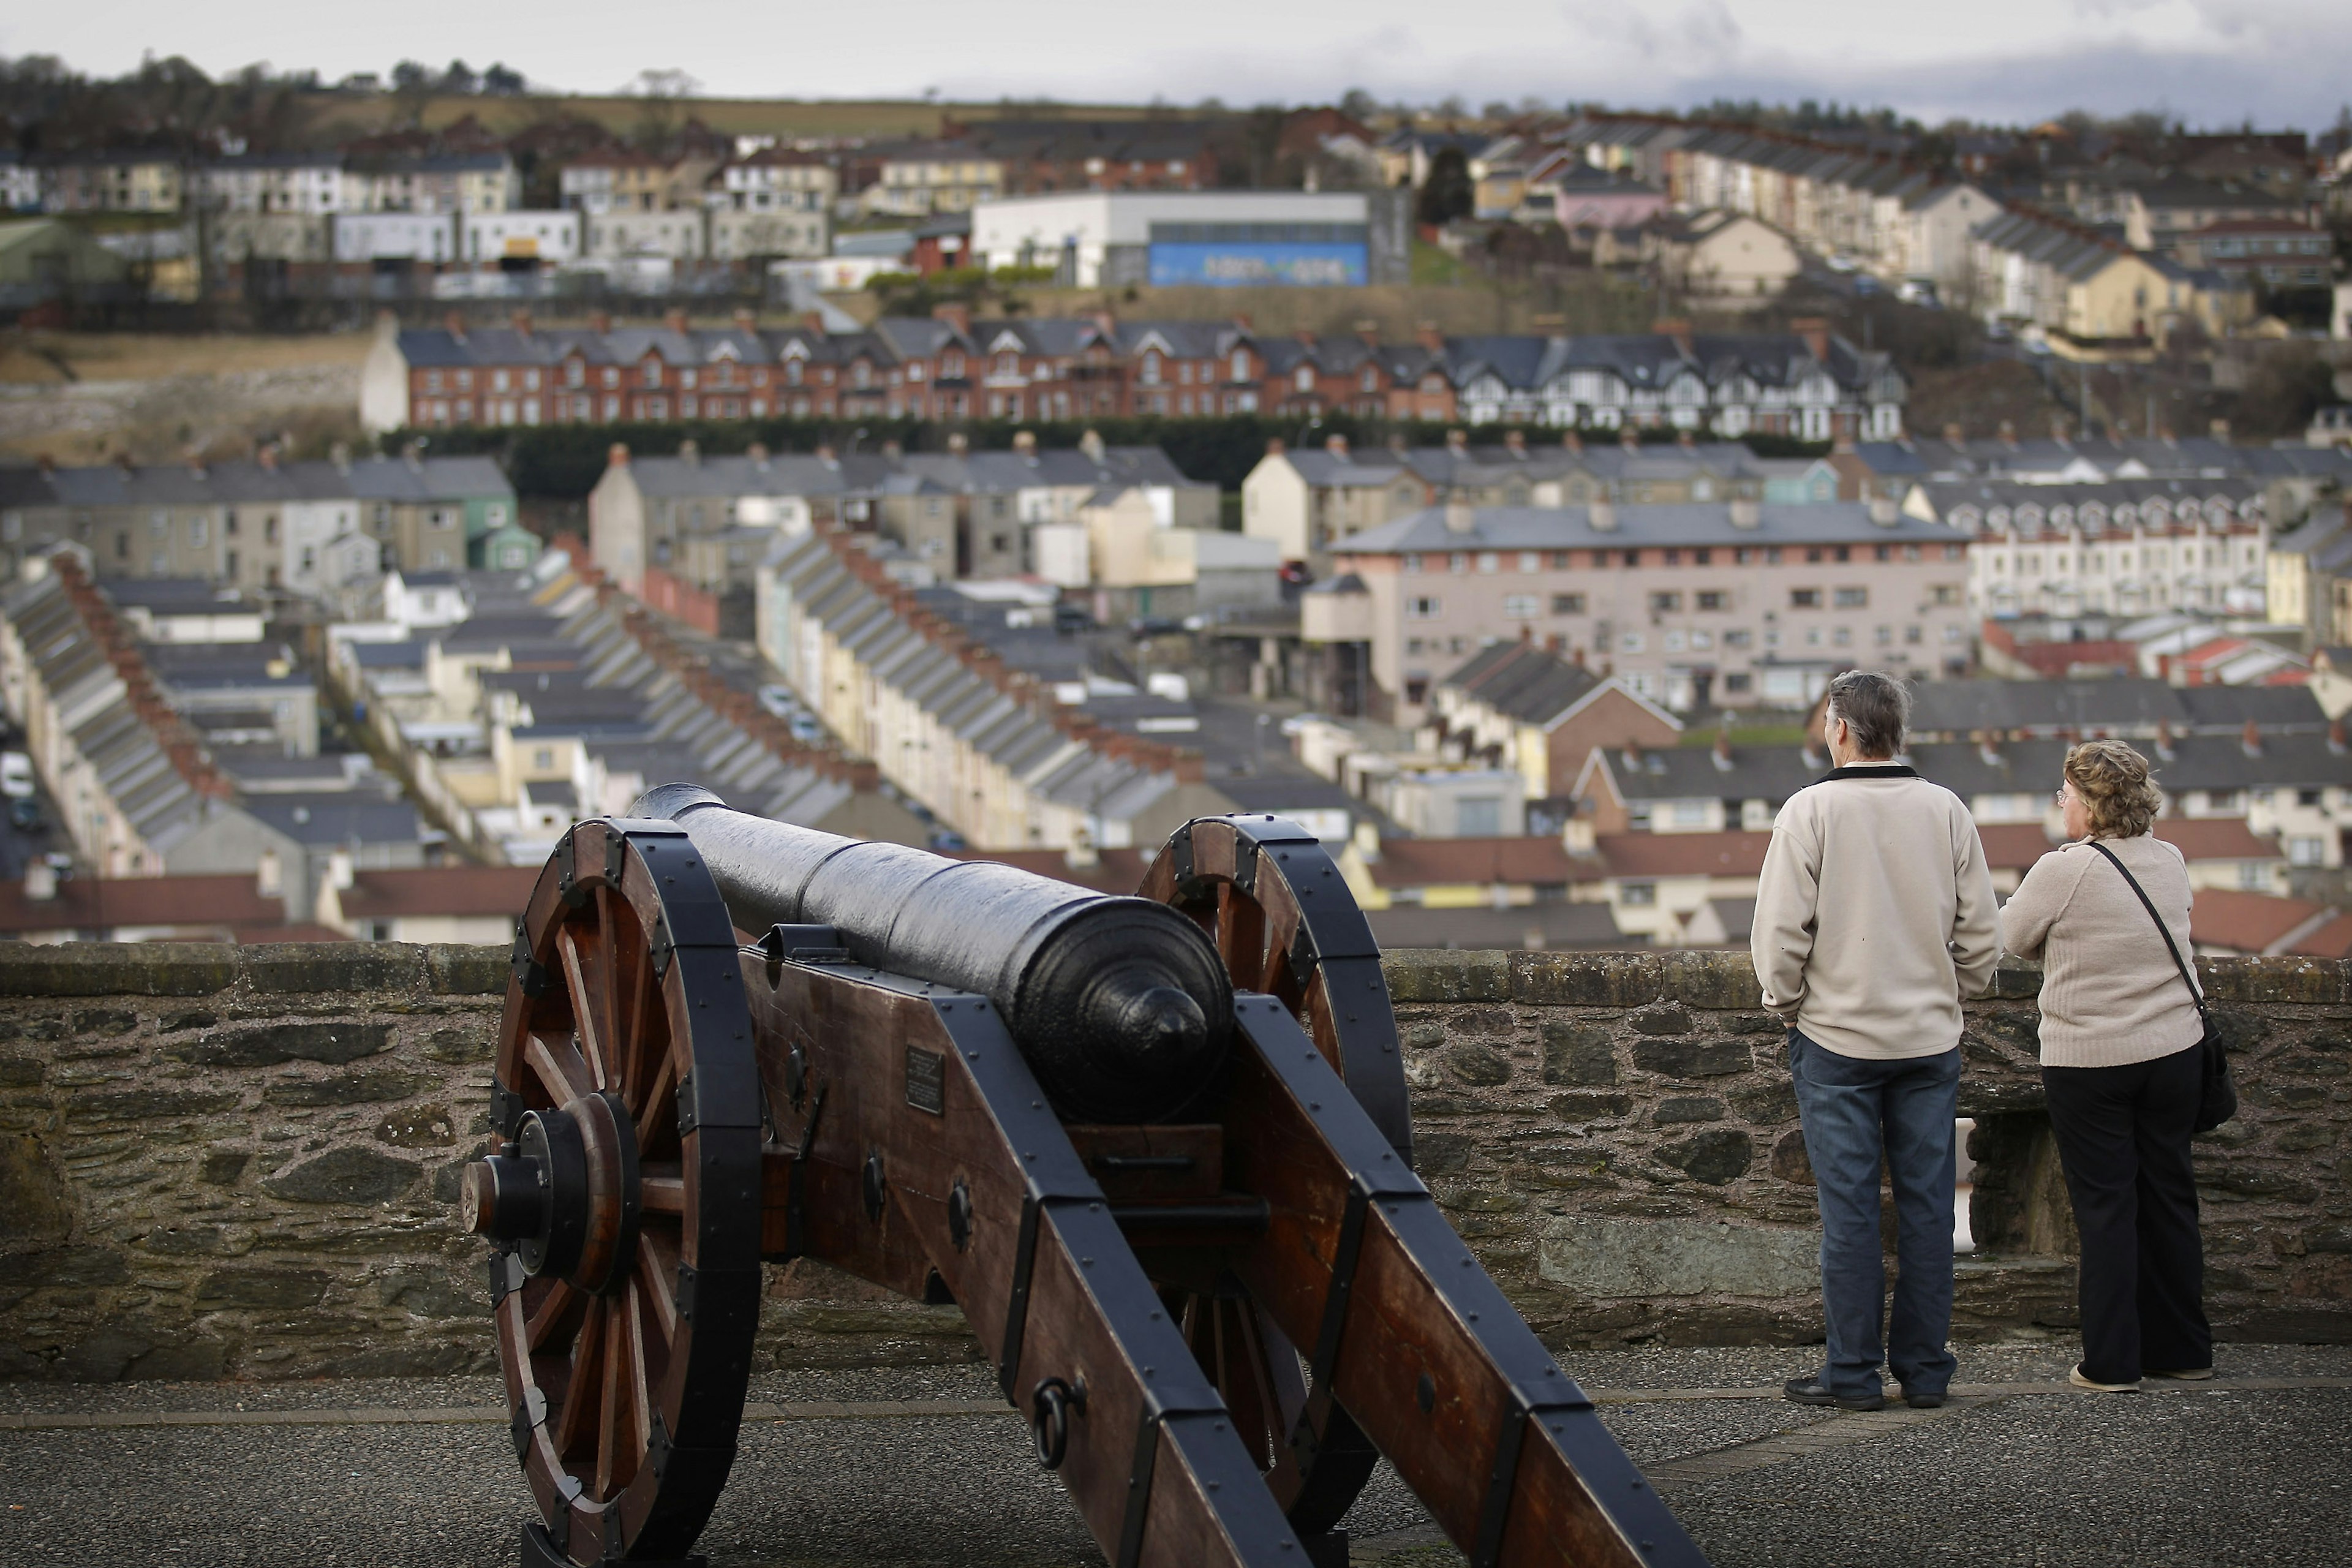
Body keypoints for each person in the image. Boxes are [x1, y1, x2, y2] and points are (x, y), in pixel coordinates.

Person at [1752, 671, 2001, 1412]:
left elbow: (1778, 938)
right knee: (1928, 1209)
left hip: (1836, 1041)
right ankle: (1925, 1372)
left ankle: (1853, 1373)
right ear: (1899, 731)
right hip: (1928, 1040)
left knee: (1852, 1213)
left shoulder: (1811, 810)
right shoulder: (1947, 810)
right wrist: (1955, 990)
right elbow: (1983, 938)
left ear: (1839, 729)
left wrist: (1788, 1002)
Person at [1999, 740, 2212, 1392]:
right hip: (2176, 1051)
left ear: (2091, 806)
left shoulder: (2065, 870)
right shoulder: (2170, 860)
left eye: (2066, 793)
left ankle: (2113, 1362)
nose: (2059, 803)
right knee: (2170, 1198)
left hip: (2091, 1061)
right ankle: (2183, 1348)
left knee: (2107, 1208)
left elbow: (2010, 939)